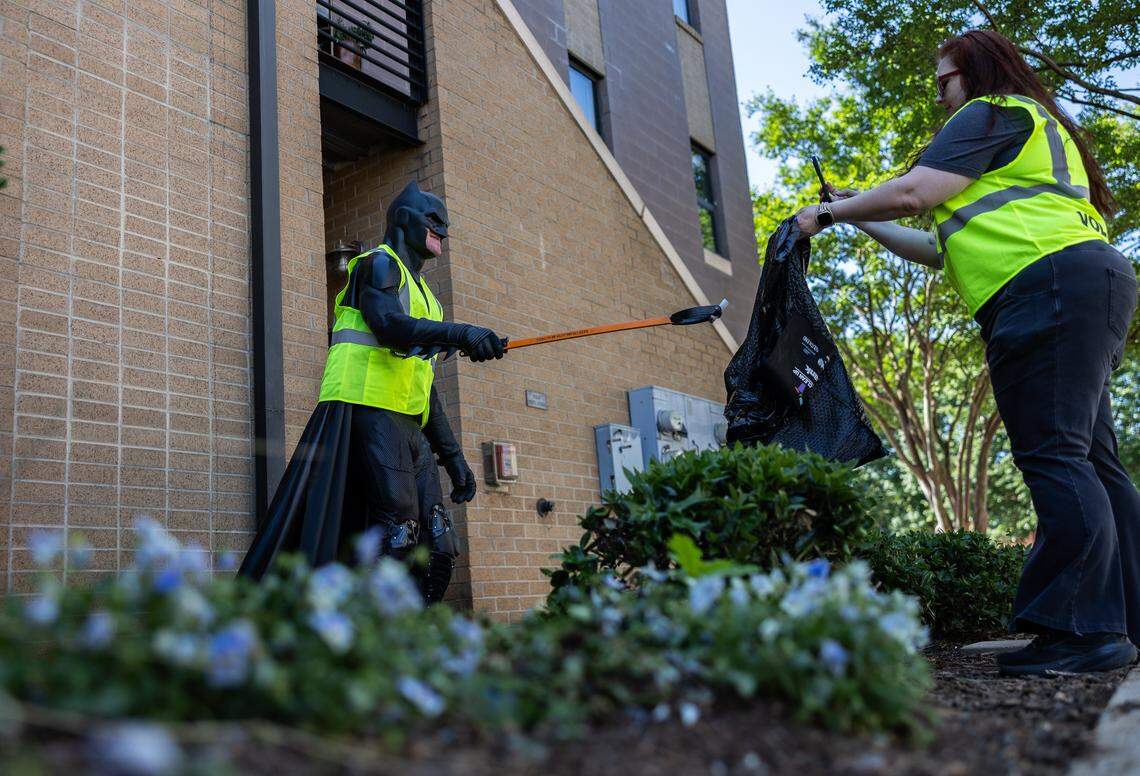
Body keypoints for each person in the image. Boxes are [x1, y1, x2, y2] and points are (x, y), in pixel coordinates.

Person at [794, 29, 1138, 675]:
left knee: (1056, 455)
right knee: (1093, 458)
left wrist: (827, 218)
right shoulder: (1036, 132)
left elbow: (913, 193)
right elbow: (932, 245)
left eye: (943, 81)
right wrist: (857, 211)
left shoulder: (990, 112)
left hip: (1047, 288)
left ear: (975, 72)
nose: (941, 97)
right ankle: (1125, 620)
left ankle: (1086, 633)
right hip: (1092, 284)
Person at [239, 180, 507, 603]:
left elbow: (425, 385)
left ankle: (409, 634)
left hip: (408, 425)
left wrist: (453, 457)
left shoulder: (428, 299)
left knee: (438, 537)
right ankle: (363, 632)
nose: (444, 231)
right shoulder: (376, 265)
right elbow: (388, 326)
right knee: (398, 533)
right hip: (366, 410)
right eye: (434, 221)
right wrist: (461, 334)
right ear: (405, 220)